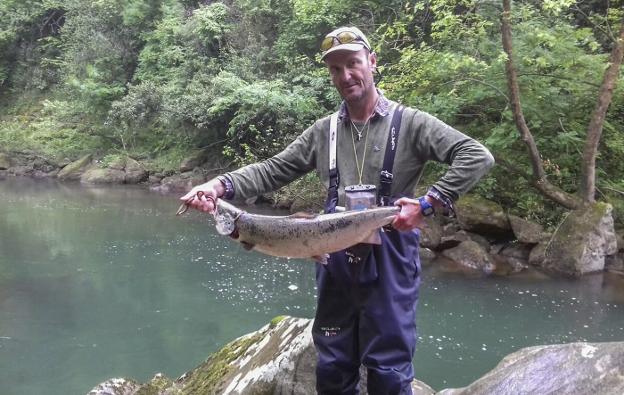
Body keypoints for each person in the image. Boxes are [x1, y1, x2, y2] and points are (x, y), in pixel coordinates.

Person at [180, 26, 494, 395]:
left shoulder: (411, 123)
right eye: (335, 69)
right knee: (333, 363)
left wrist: (428, 204)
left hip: (390, 255)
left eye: (353, 63)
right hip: (333, 255)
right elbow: (273, 169)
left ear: (372, 62)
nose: (345, 75)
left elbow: (477, 156)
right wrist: (218, 186)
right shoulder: (323, 131)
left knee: (388, 369)